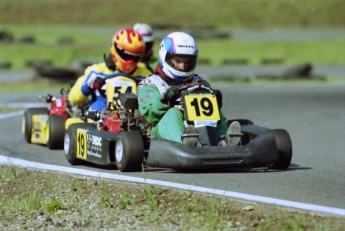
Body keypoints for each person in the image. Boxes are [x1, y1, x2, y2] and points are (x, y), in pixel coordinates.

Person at [137, 32, 241, 147]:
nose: (183, 67)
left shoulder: (199, 81)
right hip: (161, 134)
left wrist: (216, 100)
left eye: (187, 62)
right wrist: (166, 100)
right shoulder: (150, 84)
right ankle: (185, 143)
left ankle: (223, 142)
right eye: (178, 61)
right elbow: (150, 112)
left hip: (199, 129)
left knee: (212, 106)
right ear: (165, 56)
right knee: (173, 113)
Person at [68, 28, 152, 111]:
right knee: (95, 108)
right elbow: (73, 98)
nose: (131, 60)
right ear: (116, 49)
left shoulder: (146, 74)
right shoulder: (97, 70)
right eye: (127, 56)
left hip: (135, 116)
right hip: (101, 115)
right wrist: (89, 85)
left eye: (136, 57)